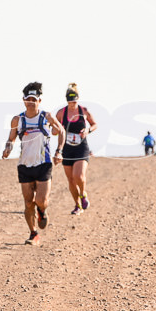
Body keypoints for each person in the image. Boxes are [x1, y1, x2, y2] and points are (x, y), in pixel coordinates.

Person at [2, 82, 65, 246]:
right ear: (23, 100)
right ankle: (33, 233)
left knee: (41, 200)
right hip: (24, 165)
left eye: (34, 99)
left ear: (39, 100)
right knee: (28, 202)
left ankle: (42, 211)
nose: (31, 102)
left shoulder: (46, 117)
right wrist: (7, 149)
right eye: (28, 99)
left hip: (43, 164)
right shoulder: (18, 119)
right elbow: (11, 138)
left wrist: (59, 151)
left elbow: (61, 131)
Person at [56, 83, 97, 215]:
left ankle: (83, 194)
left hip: (81, 148)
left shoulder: (83, 111)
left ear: (77, 99)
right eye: (70, 100)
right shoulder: (61, 112)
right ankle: (77, 205)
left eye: (74, 100)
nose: (72, 103)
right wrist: (56, 130)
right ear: (66, 99)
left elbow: (94, 124)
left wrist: (88, 130)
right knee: (71, 180)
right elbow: (54, 129)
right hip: (67, 149)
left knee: (78, 176)